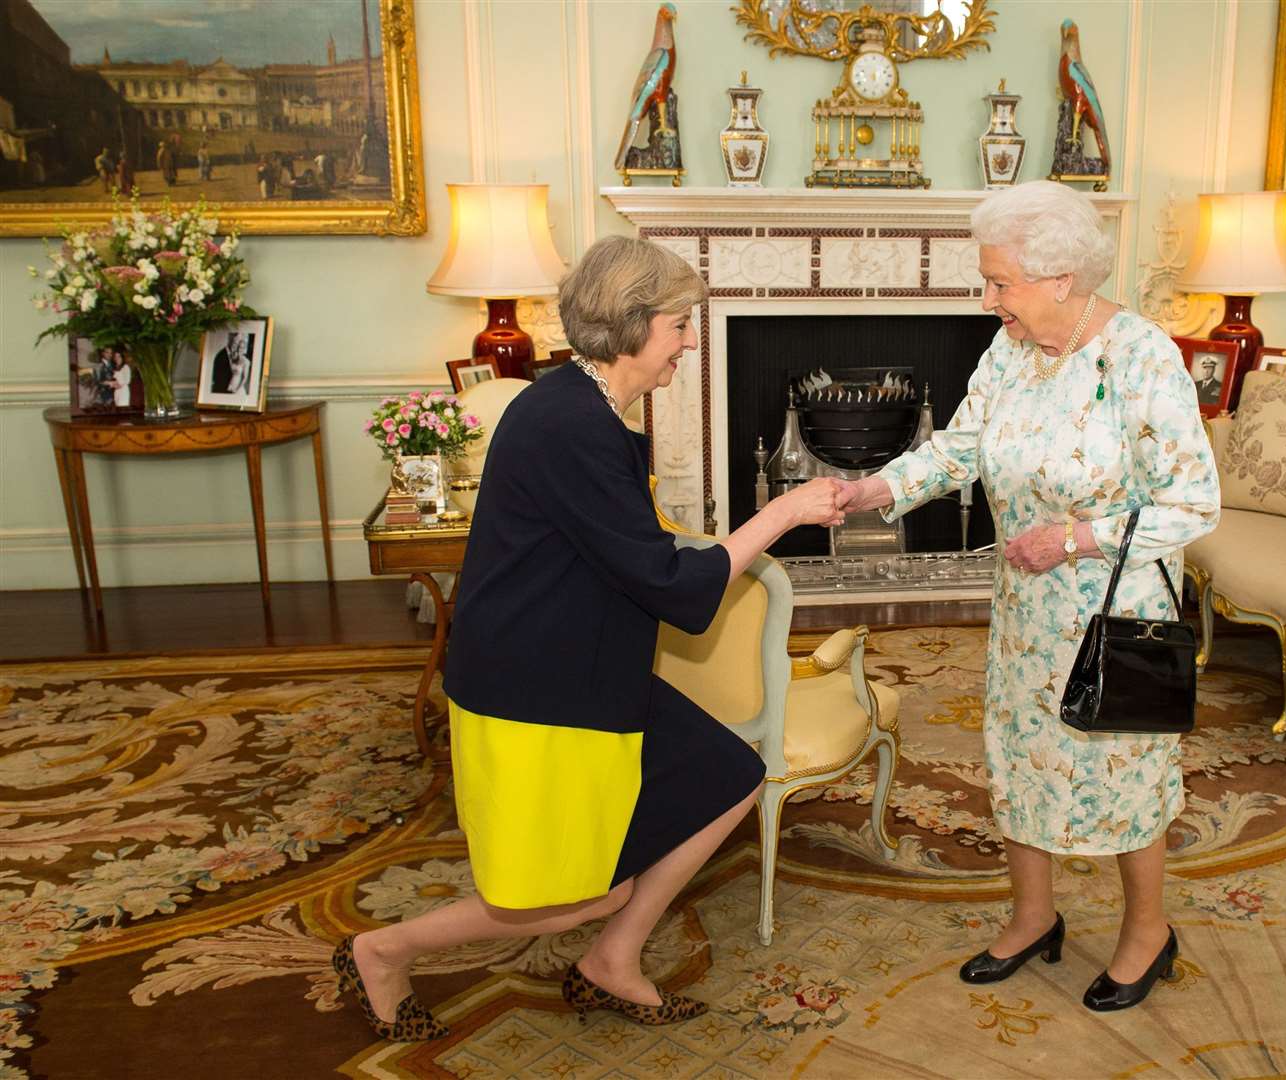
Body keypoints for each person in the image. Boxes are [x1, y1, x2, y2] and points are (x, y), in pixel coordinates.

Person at [333, 236, 851, 1041]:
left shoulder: (584, 406)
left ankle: (613, 960)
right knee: (583, 891)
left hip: (587, 659)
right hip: (537, 686)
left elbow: (631, 546)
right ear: (637, 323)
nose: (689, 341)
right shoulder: (570, 423)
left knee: (730, 774)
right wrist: (781, 514)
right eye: (681, 324)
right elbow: (675, 590)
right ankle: (381, 949)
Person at [835, 180, 1220, 1013]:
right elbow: (959, 448)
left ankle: (1147, 931)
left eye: (999, 282)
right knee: (1021, 755)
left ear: (1059, 280)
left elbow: (1192, 501)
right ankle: (1033, 915)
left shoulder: (1142, 358)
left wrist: (1073, 538)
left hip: (1117, 611)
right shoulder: (1009, 351)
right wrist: (871, 490)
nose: (987, 300)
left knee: (1122, 767)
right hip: (1026, 609)